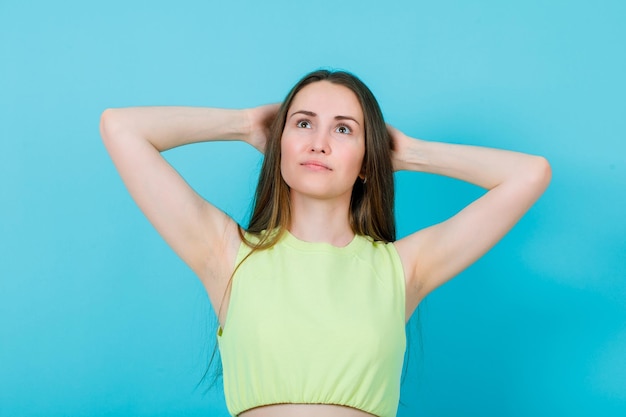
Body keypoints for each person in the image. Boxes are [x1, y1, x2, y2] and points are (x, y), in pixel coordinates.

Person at [100, 69, 551, 417]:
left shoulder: (403, 268)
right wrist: (242, 124)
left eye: (343, 130)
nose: (318, 143)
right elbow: (121, 128)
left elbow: (529, 174)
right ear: (279, 143)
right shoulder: (227, 254)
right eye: (302, 124)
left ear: (366, 159)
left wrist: (406, 153)